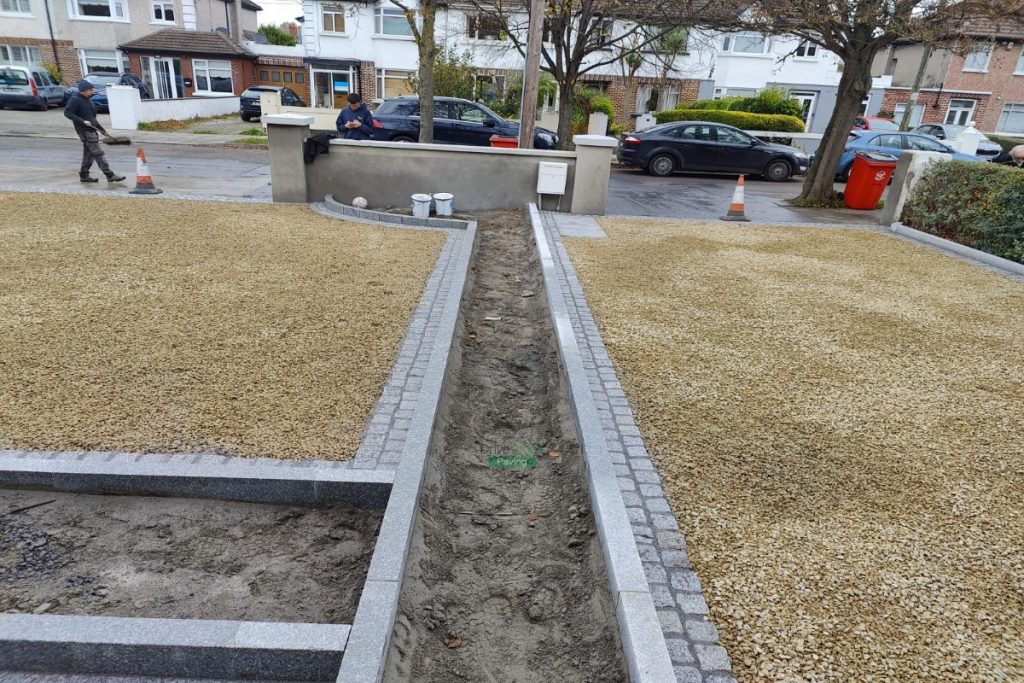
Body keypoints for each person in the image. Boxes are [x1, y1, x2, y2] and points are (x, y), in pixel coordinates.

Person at [63, 80, 125, 183]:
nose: (92, 91)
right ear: (83, 90)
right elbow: (67, 113)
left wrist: (101, 129)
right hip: (85, 131)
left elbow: (92, 118)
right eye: (90, 90)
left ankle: (84, 175)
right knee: (98, 153)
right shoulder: (75, 99)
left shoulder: (88, 100)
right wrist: (82, 121)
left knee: (89, 155)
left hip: (92, 131)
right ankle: (109, 175)